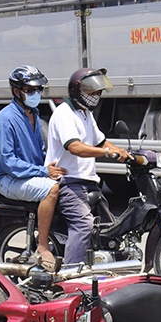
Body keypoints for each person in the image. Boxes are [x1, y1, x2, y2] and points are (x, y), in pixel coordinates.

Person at [45, 68, 129, 266]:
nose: (96, 97)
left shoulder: (85, 114)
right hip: (68, 181)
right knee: (83, 225)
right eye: (91, 92)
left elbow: (100, 142)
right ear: (77, 91)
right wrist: (108, 153)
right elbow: (75, 147)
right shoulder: (64, 114)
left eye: (98, 92)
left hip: (88, 182)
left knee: (110, 228)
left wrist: (125, 154)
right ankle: (71, 274)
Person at [0, 65, 63, 267]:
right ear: (16, 91)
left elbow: (39, 151)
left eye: (39, 89)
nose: (36, 94)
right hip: (6, 179)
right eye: (31, 90)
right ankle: (42, 247)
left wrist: (51, 167)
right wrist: (43, 172)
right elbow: (8, 162)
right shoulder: (5, 120)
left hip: (27, 175)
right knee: (51, 190)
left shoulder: (34, 114)